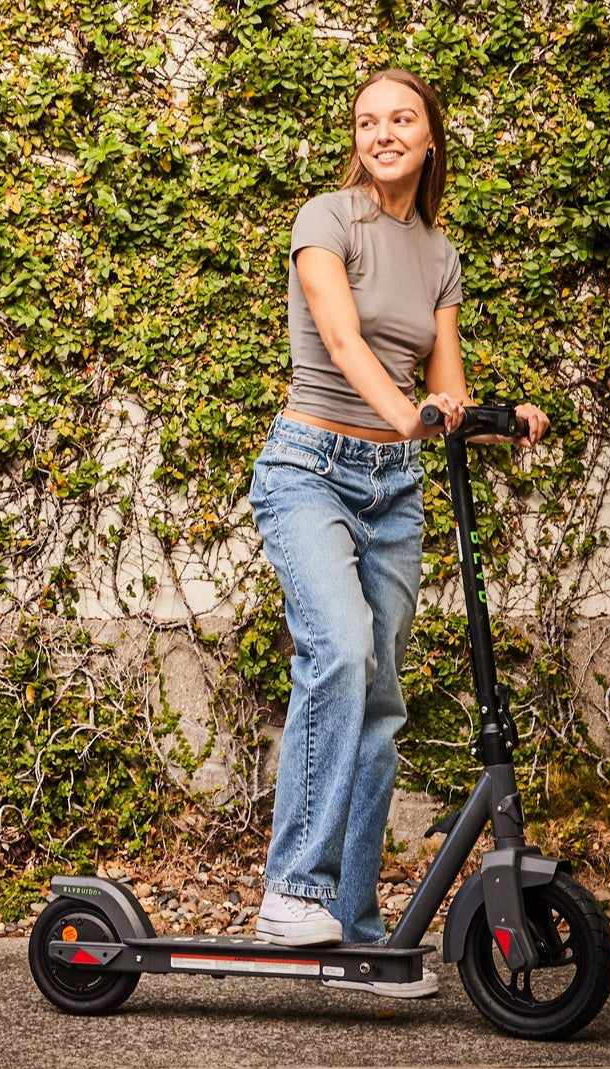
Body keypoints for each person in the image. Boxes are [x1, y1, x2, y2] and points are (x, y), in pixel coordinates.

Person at [248, 69, 549, 997]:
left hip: (395, 492)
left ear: (429, 139)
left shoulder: (441, 254)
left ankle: (360, 933)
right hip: (308, 470)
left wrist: (500, 413)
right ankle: (292, 891)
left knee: (379, 704)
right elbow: (342, 342)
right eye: (368, 121)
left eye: (402, 119)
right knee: (338, 654)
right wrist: (407, 413)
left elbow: (443, 383)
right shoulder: (326, 220)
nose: (384, 133)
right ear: (359, 138)